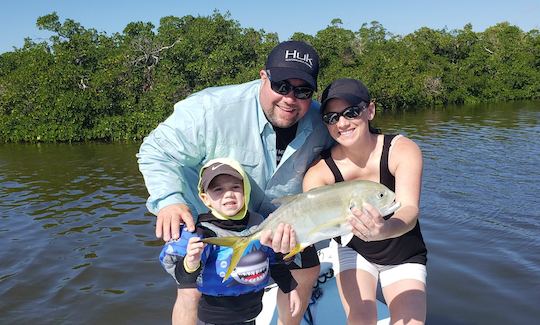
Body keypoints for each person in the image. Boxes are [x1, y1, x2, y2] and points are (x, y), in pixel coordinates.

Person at [137, 40, 334, 325]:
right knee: (191, 289)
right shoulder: (211, 108)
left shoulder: (322, 121)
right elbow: (157, 150)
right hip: (213, 220)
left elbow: (356, 148)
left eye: (302, 91)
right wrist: (169, 199)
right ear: (263, 76)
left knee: (306, 271)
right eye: (281, 86)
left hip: (283, 225)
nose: (290, 99)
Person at [302, 78, 428, 324]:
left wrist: (384, 230)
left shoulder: (401, 150)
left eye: (351, 112)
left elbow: (410, 208)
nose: (342, 123)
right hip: (353, 249)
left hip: (403, 250)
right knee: (361, 319)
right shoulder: (319, 172)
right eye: (332, 117)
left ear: (370, 110)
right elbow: (310, 220)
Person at [160, 158, 301, 325]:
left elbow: (274, 262)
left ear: (245, 190)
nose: (228, 194)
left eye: (235, 187)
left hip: (252, 312)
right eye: (218, 189)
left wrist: (290, 288)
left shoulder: (259, 224)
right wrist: (191, 263)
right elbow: (185, 279)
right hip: (216, 317)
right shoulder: (203, 233)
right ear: (205, 198)